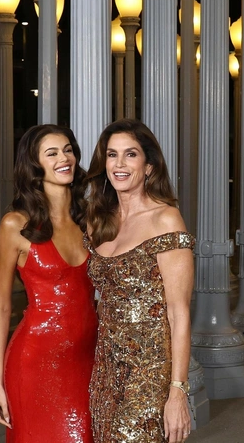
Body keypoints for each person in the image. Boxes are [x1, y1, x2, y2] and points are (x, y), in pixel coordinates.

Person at [84, 119, 194, 443]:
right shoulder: (98, 221)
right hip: (105, 367)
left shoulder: (165, 219)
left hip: (149, 370)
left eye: (130, 154)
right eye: (112, 155)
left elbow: (179, 313)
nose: (119, 164)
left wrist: (178, 391)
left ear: (149, 166)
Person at [0, 124, 97, 443]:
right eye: (52, 153)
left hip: (88, 357)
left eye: (68, 150)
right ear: (34, 165)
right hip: (35, 360)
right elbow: (2, 306)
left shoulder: (90, 220)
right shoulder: (16, 224)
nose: (64, 158)